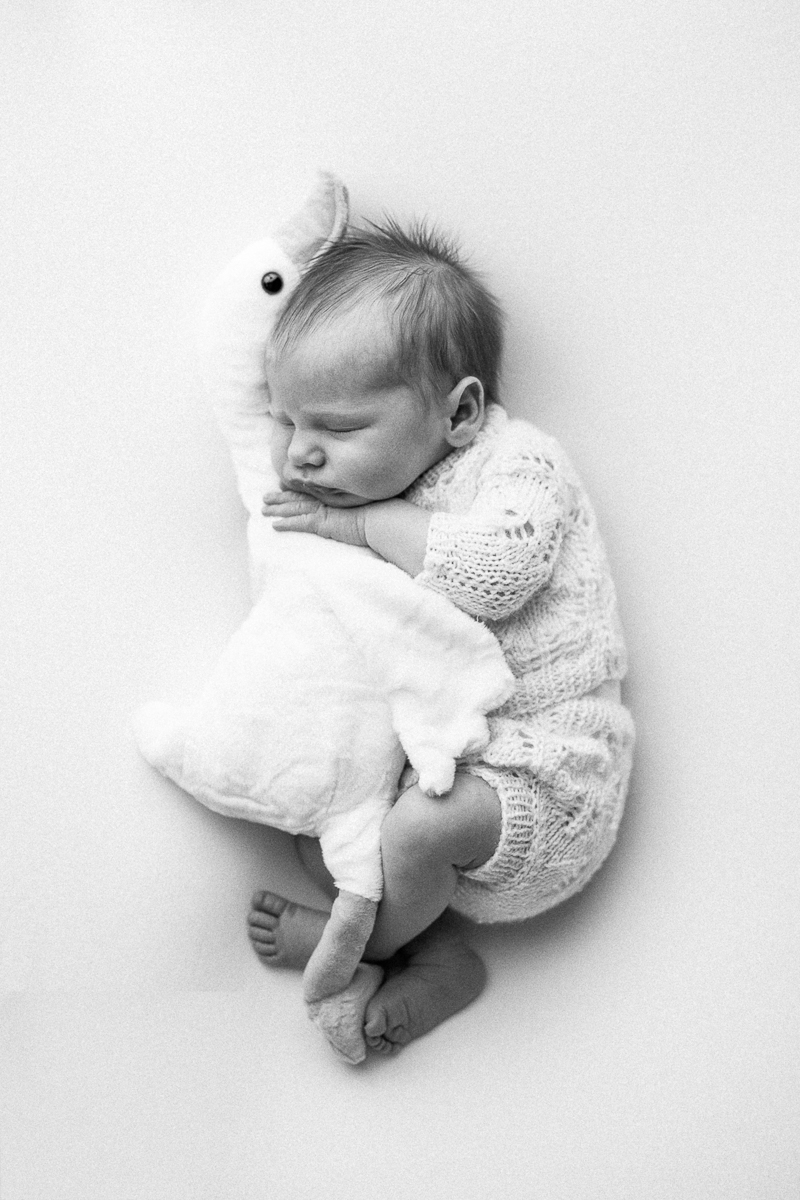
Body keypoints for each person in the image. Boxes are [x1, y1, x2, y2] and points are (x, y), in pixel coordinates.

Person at [247, 220, 635, 1055]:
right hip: (442, 781)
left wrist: (367, 527)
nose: (301, 454)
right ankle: (435, 957)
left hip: (550, 778)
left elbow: (500, 572)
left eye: (338, 428)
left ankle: (354, 947)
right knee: (317, 823)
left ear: (459, 412)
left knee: (418, 831)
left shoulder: (517, 463)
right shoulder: (365, 492)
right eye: (286, 422)